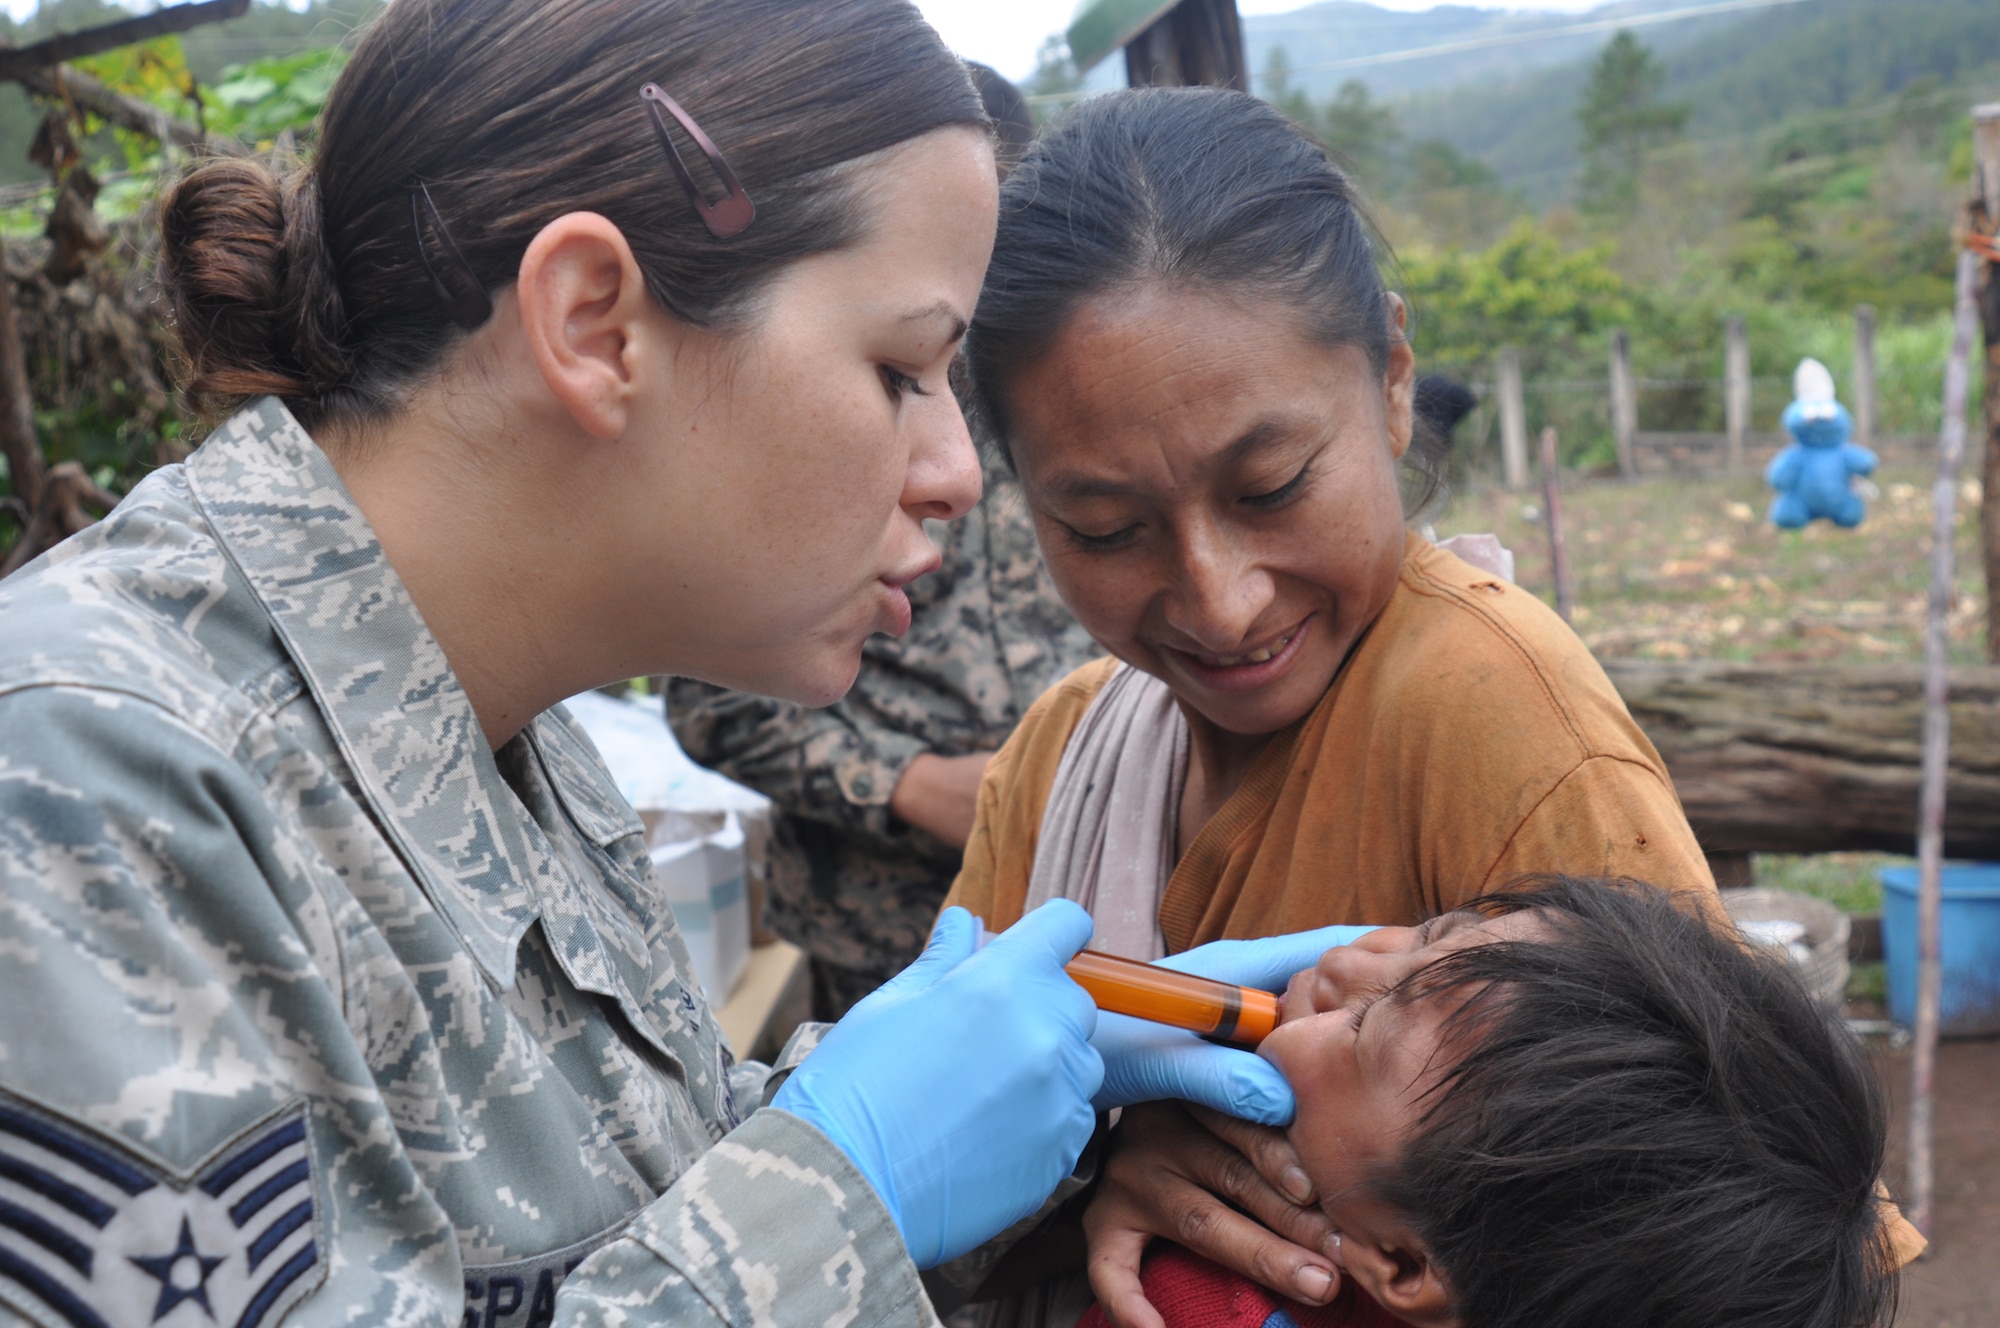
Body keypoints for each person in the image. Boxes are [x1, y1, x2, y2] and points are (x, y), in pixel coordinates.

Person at [0, 7, 1344, 1325]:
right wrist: (848, 1182)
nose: (951, 473)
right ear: (593, 324)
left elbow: (614, 1205)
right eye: (899, 370)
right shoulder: (79, 775)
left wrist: (1036, 1115)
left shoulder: (516, 736)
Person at [943, 87, 1721, 1321]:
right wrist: (1096, 1161)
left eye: (1271, 485)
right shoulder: (1059, 754)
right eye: (1105, 527)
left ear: (1395, 376)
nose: (1219, 600)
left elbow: (1716, 1228)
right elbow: (928, 1146)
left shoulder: (1493, 718)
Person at [670, 64, 1098, 1021]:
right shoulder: (815, 415)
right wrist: (907, 786)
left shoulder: (1070, 393)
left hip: (1087, 907)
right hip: (885, 939)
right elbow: (715, 707)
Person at [1079, 877, 1913, 1328]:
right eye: (1435, 934)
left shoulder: (1190, 1307)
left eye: (1363, 1027)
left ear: (1405, 1263)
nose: (1348, 963)